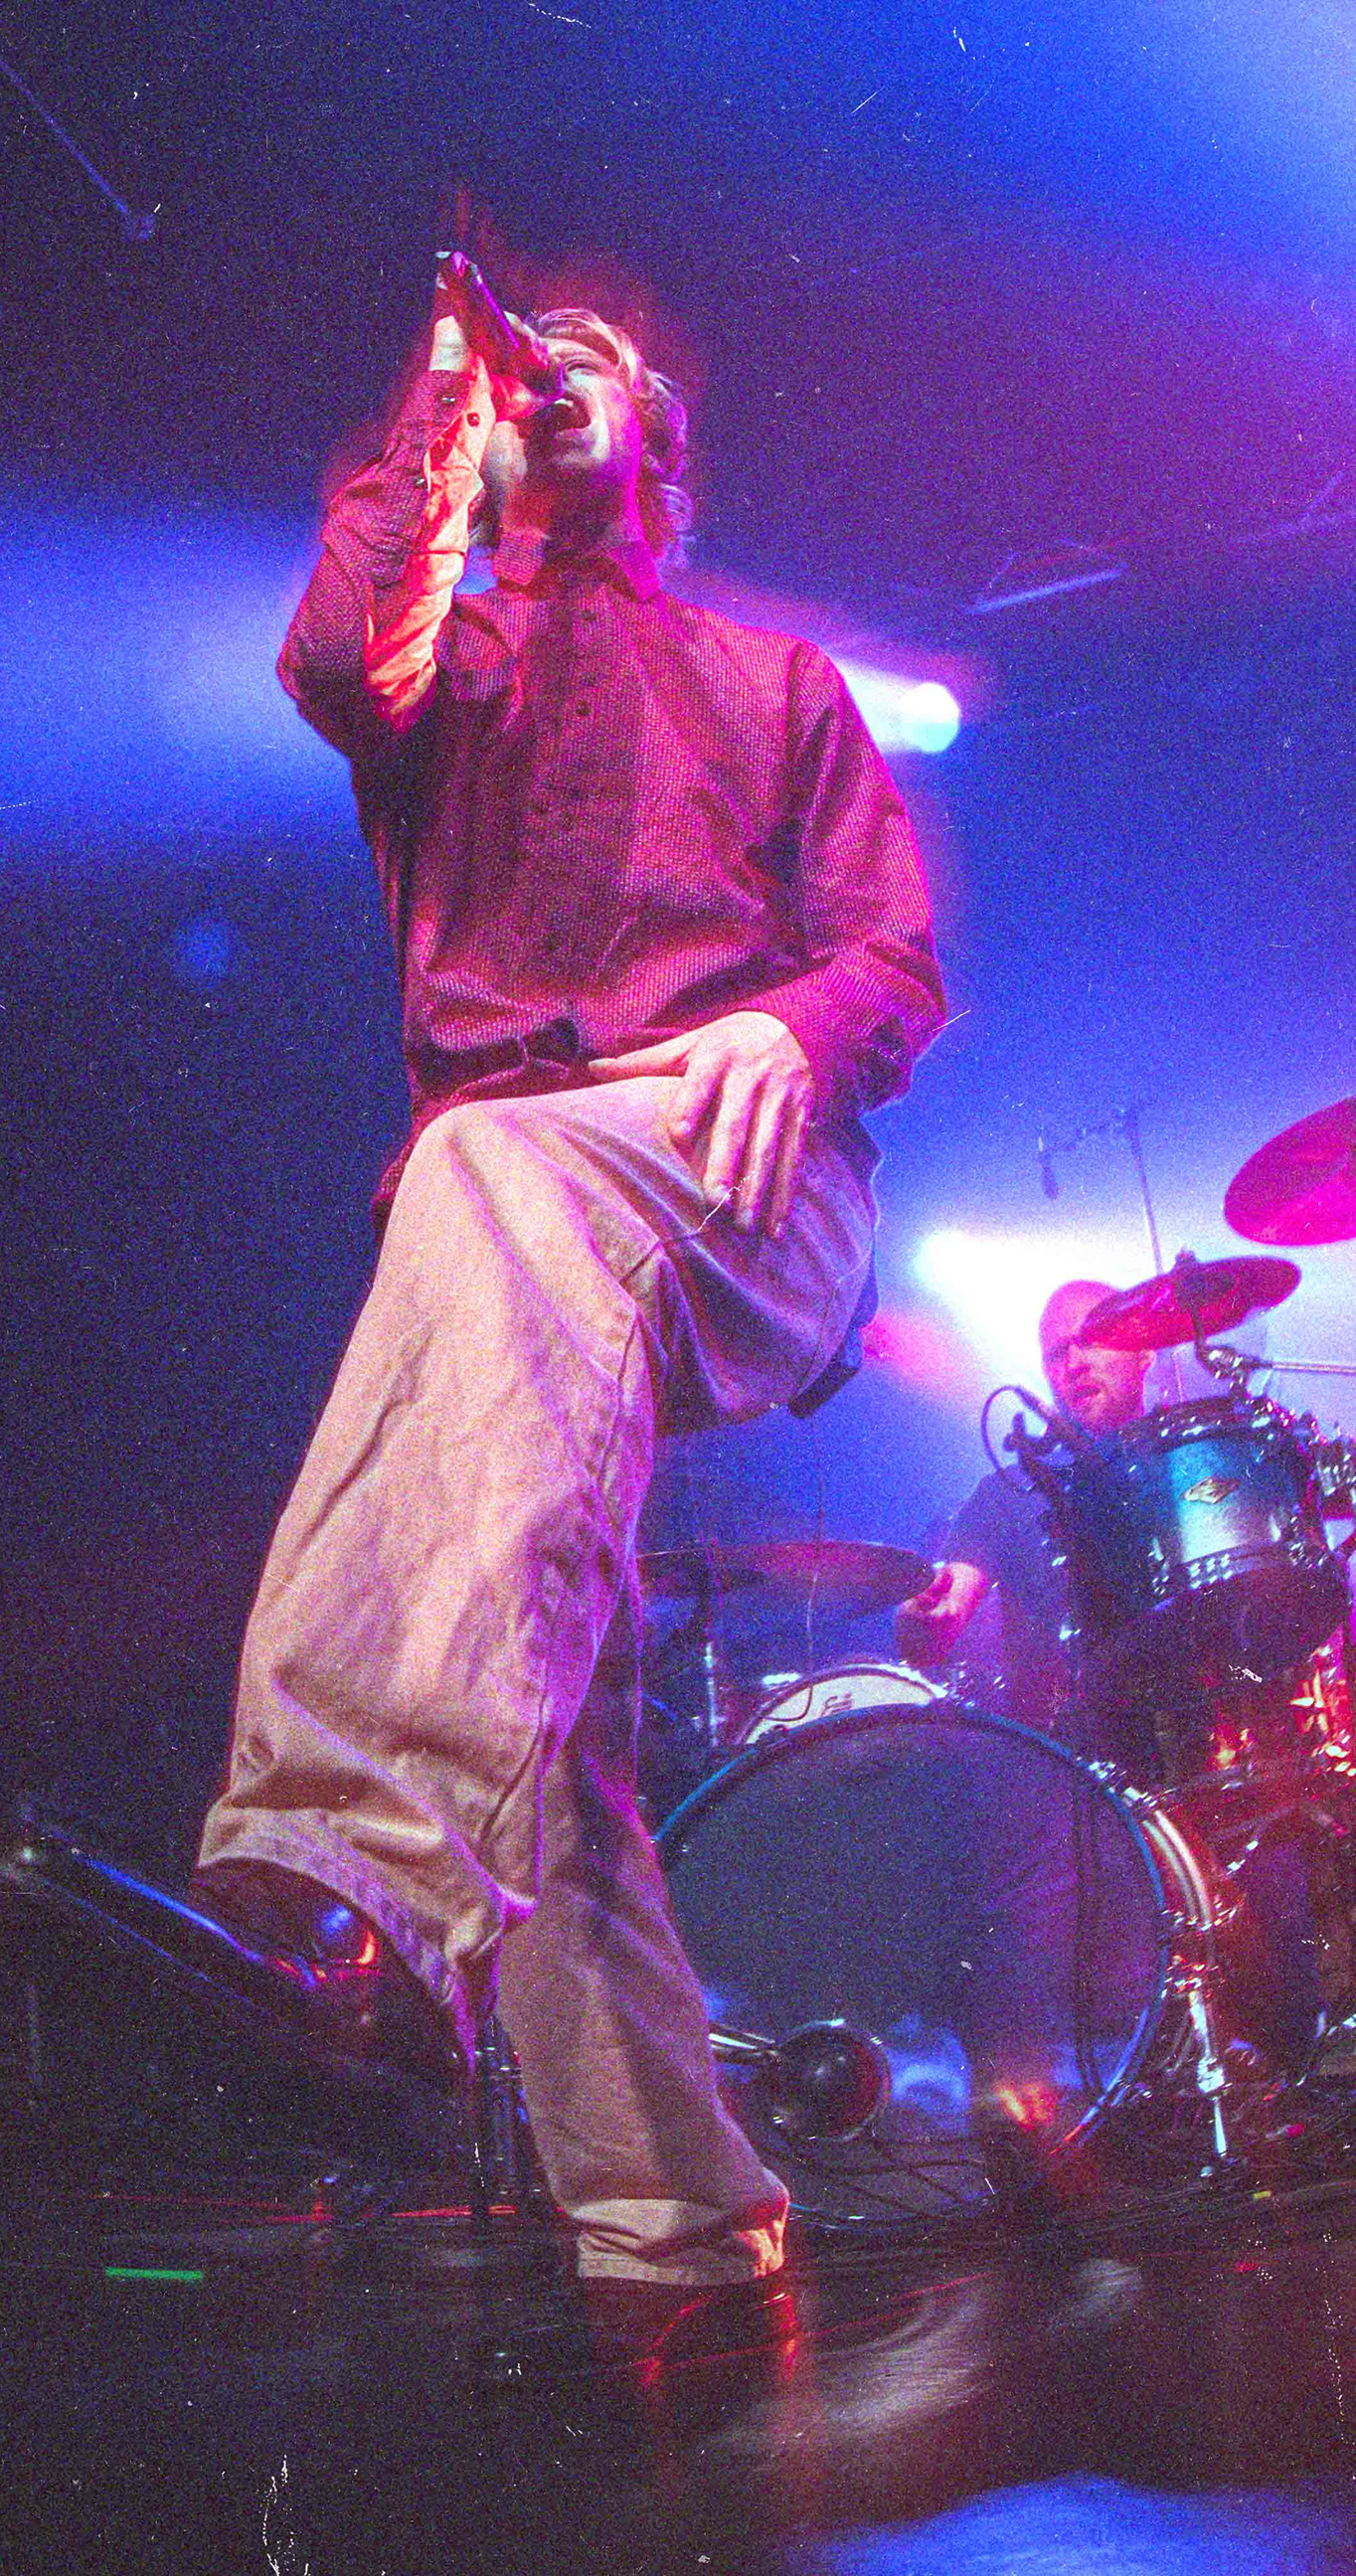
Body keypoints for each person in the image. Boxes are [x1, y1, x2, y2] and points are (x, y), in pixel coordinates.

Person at [139, 262, 942, 2383]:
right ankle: (680, 2211)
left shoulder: (776, 681)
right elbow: (339, 653)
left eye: (593, 367)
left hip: (747, 1184)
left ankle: (341, 1848)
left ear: (659, 440)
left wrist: (794, 1025)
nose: (549, 375)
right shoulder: (451, 672)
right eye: (528, 369)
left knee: (489, 1171)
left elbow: (894, 957)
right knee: (547, 1697)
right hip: (514, 1225)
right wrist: (447, 420)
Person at [895, 1279, 1148, 1731]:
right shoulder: (1007, 1492)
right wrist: (921, 1621)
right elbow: (936, 1626)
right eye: (1056, 1354)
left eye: (1092, 1340)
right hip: (1075, 1751)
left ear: (1145, 1350)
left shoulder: (1197, 1457)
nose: (1074, 1363)